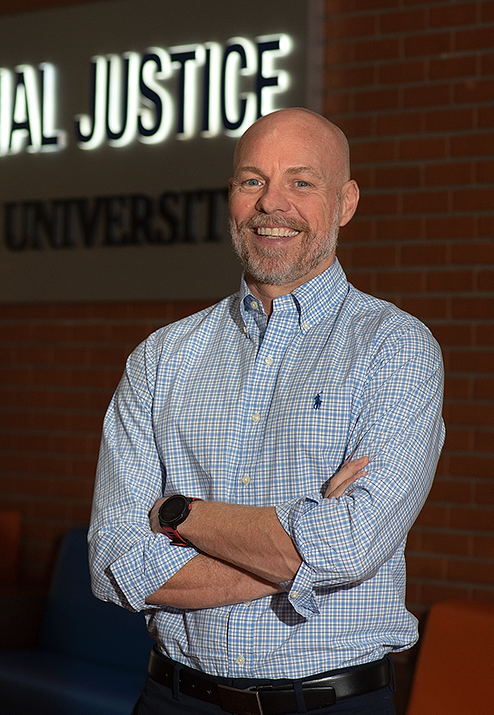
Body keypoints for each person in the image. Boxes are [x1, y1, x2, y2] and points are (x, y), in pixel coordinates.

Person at [88, 107, 445, 715]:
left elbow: (352, 546)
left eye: (301, 182)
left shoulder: (396, 348)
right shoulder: (161, 358)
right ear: (231, 196)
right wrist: (302, 552)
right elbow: (115, 565)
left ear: (346, 202)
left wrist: (180, 515)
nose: (271, 204)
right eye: (252, 180)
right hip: (175, 700)